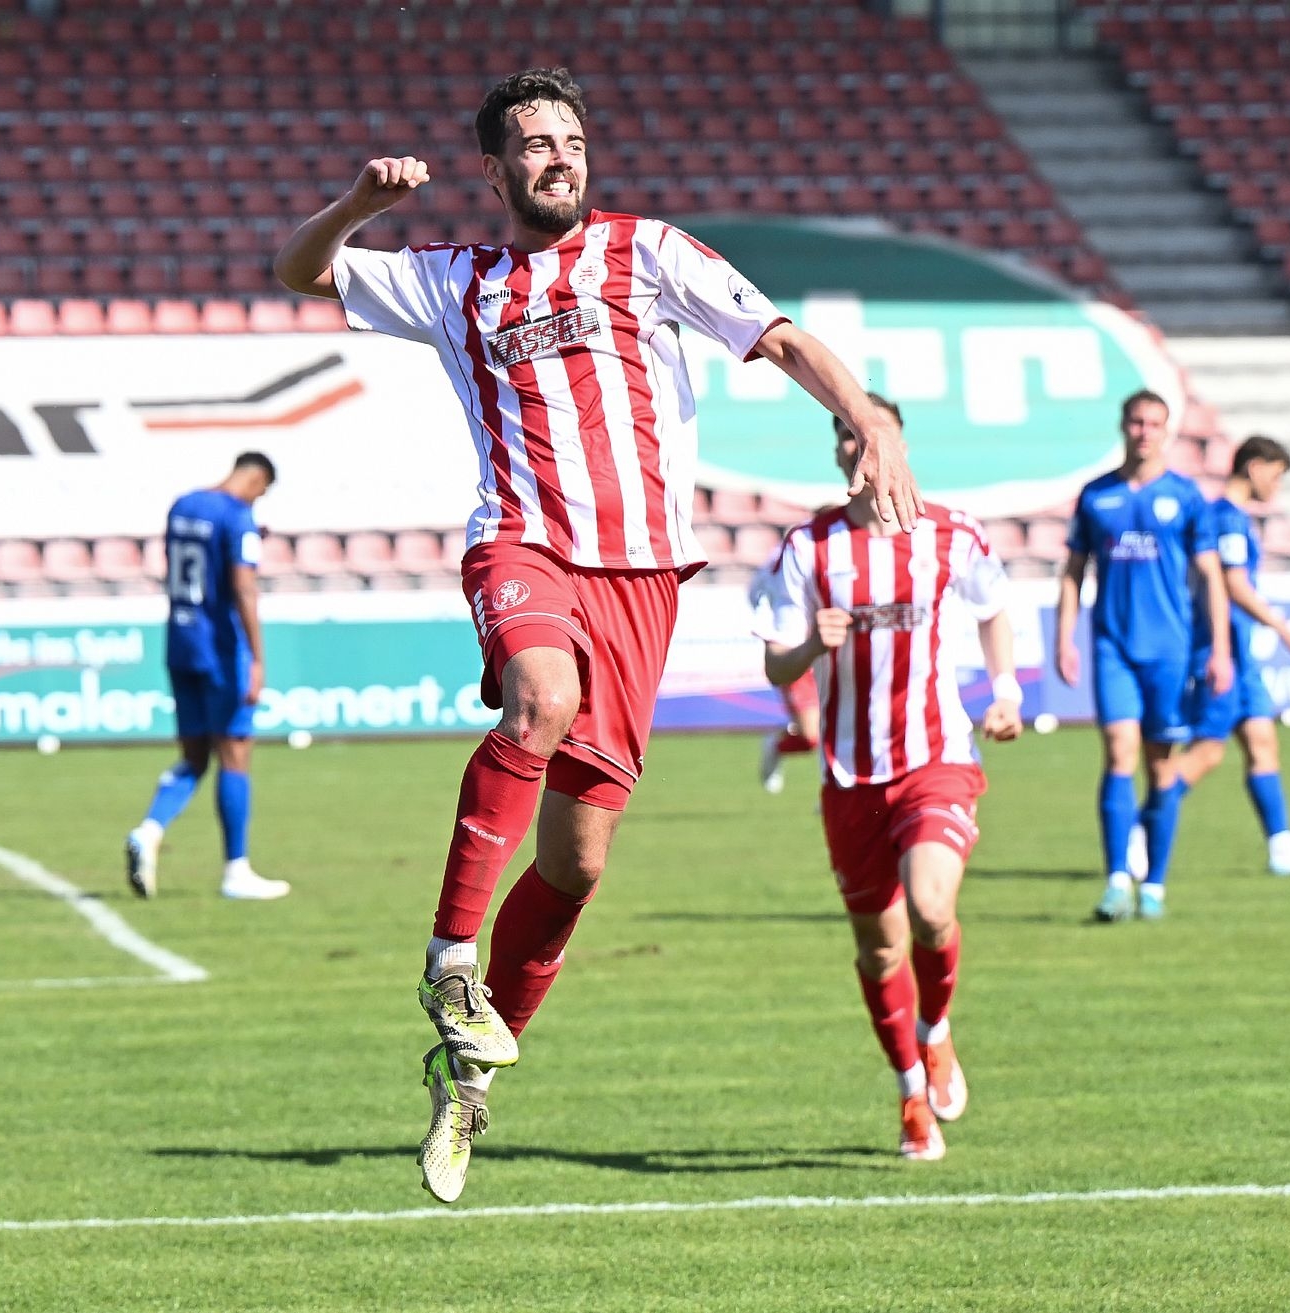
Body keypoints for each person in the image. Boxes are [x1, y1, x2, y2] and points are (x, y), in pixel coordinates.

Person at [274, 66, 919, 1202]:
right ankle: (450, 958)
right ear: (494, 170)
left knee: (576, 862)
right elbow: (300, 268)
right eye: (534, 143)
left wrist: (866, 416)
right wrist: (361, 206)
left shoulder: (648, 252)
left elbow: (777, 337)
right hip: (523, 545)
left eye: (571, 140)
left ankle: (470, 1074)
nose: (559, 157)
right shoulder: (454, 280)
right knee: (540, 698)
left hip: (642, 580)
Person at [758, 403, 1023, 1160]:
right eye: (847, 433)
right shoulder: (808, 546)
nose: (859, 445)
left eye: (872, 432)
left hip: (936, 756)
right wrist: (810, 646)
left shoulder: (953, 532)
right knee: (880, 950)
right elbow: (776, 663)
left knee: (933, 910)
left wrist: (1006, 689)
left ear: (899, 446)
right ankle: (911, 1089)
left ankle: (936, 1031)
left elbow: (995, 608)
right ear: (838, 452)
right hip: (850, 775)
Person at [1055, 391, 1230, 923]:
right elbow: (1073, 572)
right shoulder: (1096, 495)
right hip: (1113, 645)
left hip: (1170, 651)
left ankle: (1154, 883)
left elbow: (1210, 575)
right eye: (1136, 422)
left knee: (1161, 767)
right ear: (1123, 426)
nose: (1144, 432)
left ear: (1167, 431)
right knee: (1118, 752)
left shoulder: (1186, 496)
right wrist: (1064, 637)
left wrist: (1220, 649)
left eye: (1155, 423)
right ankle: (1116, 881)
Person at [1159, 436, 1290, 876]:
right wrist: (1284, 629)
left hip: (1241, 654)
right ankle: (1144, 830)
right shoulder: (1225, 518)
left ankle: (1281, 847)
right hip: (1221, 652)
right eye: (1276, 476)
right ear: (1255, 467)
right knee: (1207, 752)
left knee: (1262, 741)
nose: (1277, 486)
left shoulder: (1232, 517)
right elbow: (1234, 586)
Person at [124, 452, 289, 902]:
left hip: (181, 642)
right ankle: (237, 870)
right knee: (235, 753)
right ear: (257, 480)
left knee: (195, 757)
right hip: (221, 650)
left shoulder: (183, 505)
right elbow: (243, 587)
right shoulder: (238, 517)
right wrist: (257, 659)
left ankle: (148, 830)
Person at [749, 545, 820, 793]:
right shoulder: (788, 553)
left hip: (834, 650)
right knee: (810, 737)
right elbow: (756, 593)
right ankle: (776, 746)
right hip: (798, 652)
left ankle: (835, 792)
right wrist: (777, 631)